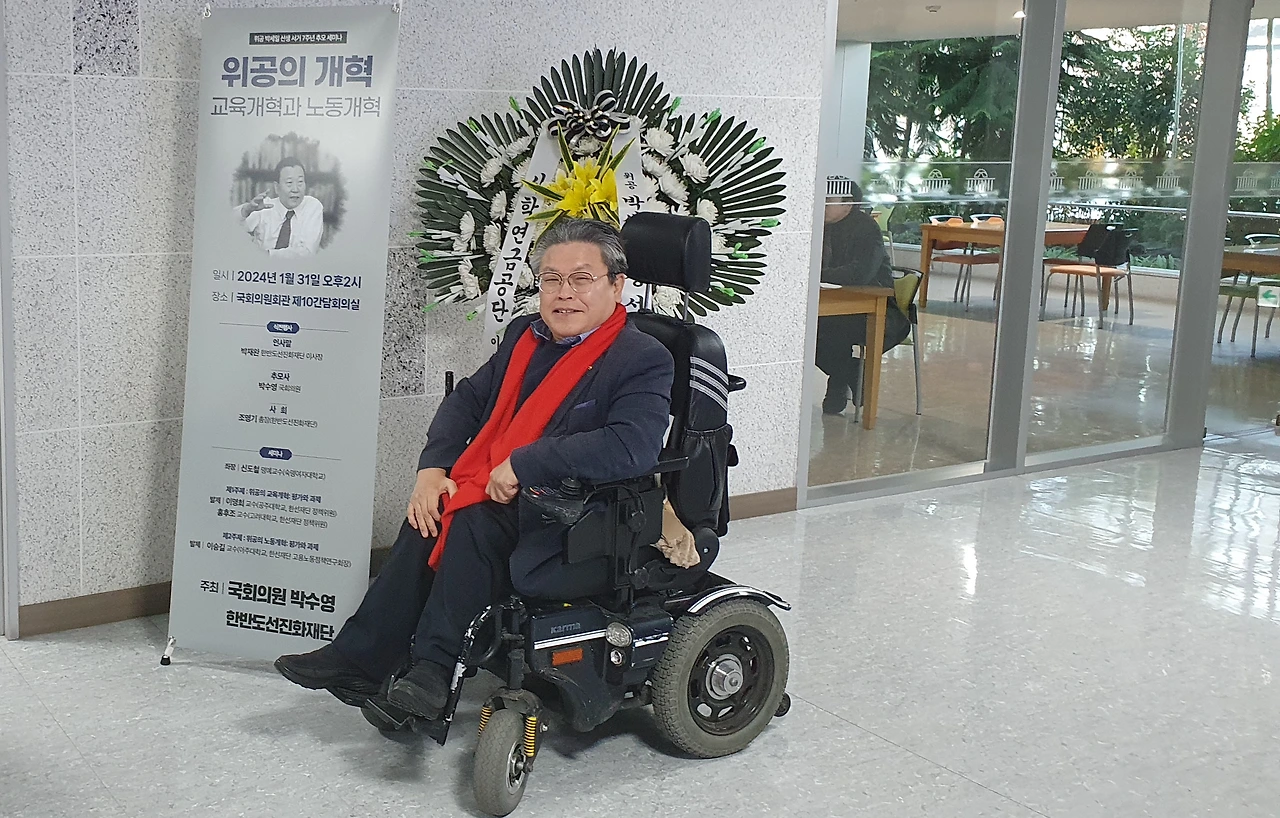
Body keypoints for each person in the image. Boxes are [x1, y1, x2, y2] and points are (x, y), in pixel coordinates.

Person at [274, 217, 676, 721]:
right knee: (432, 509)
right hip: (505, 489)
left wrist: (526, 463)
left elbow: (633, 446)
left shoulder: (642, 357)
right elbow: (467, 400)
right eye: (551, 279)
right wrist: (432, 468)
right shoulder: (526, 336)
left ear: (616, 286)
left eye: (581, 279)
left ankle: (435, 671)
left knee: (471, 518)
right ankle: (360, 658)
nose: (564, 293)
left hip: (578, 513)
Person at [817, 181, 911, 415]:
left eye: (828, 201)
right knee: (804, 330)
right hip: (833, 306)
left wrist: (817, 274)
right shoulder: (819, 227)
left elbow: (861, 273)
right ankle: (852, 373)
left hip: (874, 308)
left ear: (848, 204)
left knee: (824, 331)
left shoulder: (866, 228)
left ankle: (842, 379)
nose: (822, 206)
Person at [235, 157, 325, 257]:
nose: (295, 189)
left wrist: (265, 254)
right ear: (277, 187)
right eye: (289, 183)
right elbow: (229, 228)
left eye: (300, 182)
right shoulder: (264, 206)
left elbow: (307, 252)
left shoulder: (312, 206)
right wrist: (246, 210)